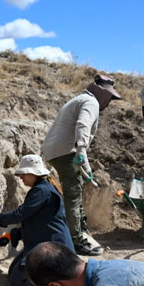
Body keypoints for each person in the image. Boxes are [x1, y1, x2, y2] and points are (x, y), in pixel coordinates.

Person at [41, 73, 122, 257]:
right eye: (109, 96)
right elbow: (83, 125)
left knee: (74, 189)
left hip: (56, 150)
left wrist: (84, 163)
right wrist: (80, 151)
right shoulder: (91, 102)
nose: (109, 101)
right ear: (102, 92)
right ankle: (76, 240)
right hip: (65, 151)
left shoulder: (80, 99)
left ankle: (79, 226)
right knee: (73, 194)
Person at [0, 154, 75, 286]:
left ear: (33, 174)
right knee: (14, 270)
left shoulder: (41, 190)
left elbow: (21, 214)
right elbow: (36, 222)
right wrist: (11, 235)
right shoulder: (43, 188)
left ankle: (57, 275)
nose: (21, 178)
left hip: (55, 249)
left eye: (24, 174)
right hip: (48, 243)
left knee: (17, 280)